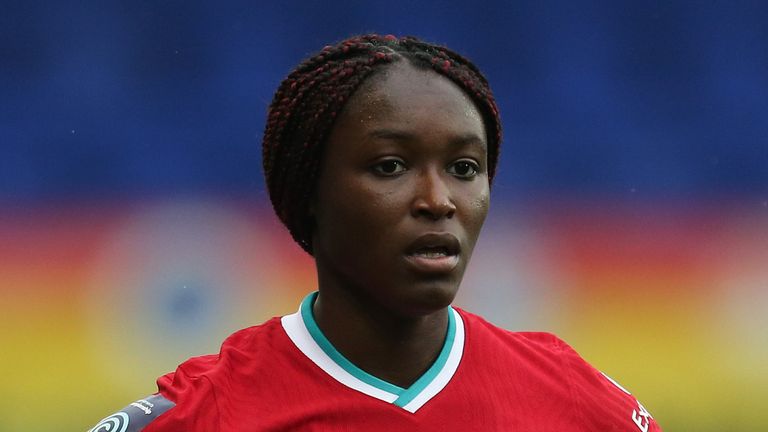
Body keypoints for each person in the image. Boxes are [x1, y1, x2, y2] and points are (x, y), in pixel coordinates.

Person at [89, 34, 662, 431]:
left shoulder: (580, 405)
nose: (437, 201)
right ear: (308, 191)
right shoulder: (203, 417)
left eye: (464, 169)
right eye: (390, 166)